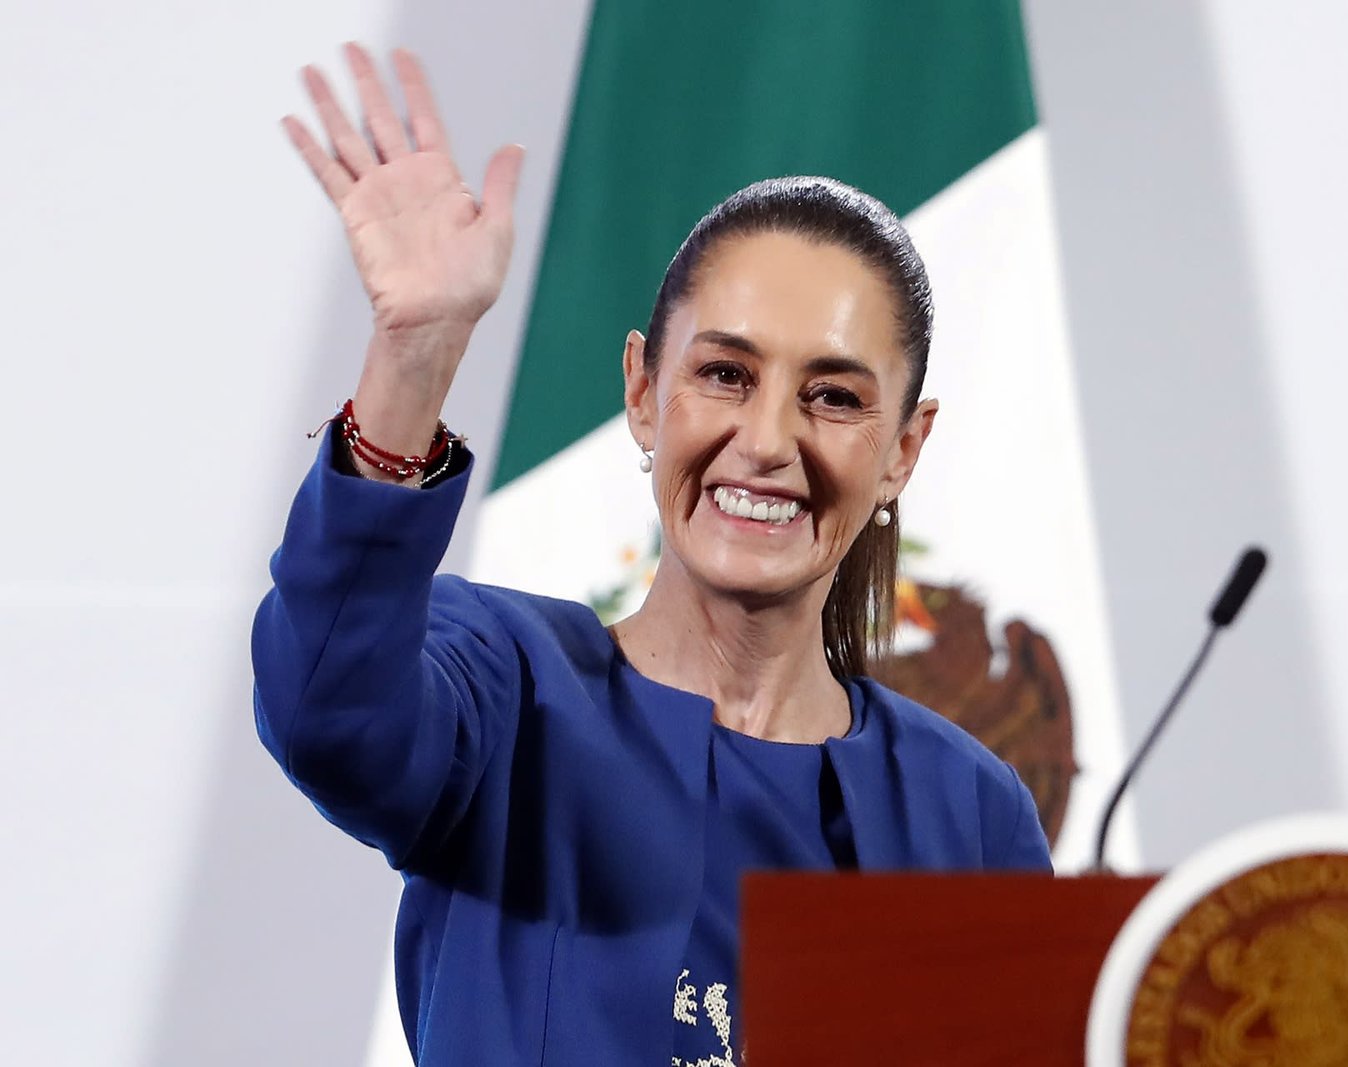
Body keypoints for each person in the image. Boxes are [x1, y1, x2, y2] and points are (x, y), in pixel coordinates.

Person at [254, 43, 1051, 1066]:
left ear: (903, 447)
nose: (766, 440)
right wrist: (415, 354)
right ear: (641, 390)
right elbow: (327, 714)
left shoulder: (970, 813)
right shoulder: (503, 685)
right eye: (724, 374)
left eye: (833, 396)